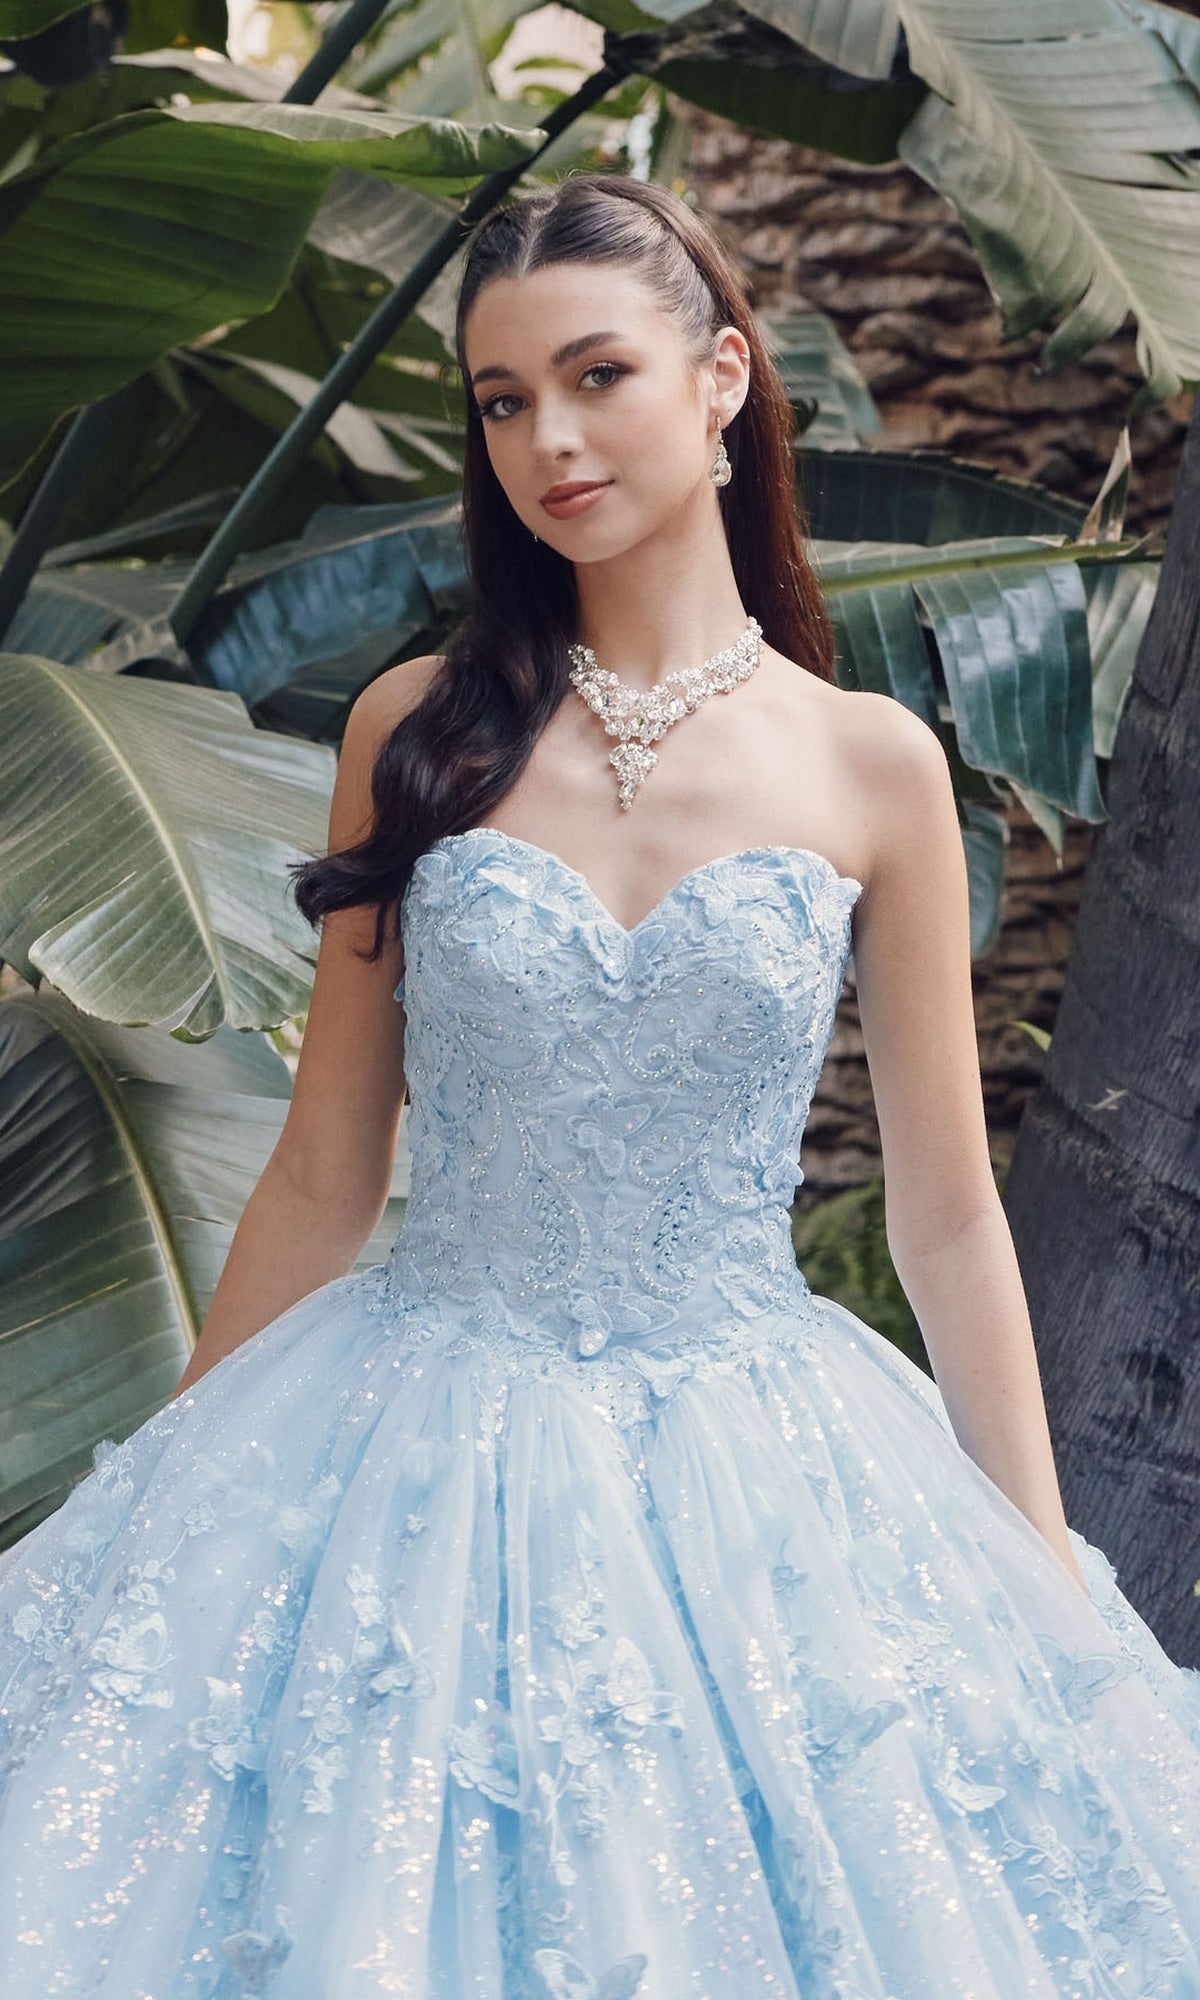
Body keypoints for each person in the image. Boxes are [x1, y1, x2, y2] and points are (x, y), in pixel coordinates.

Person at [1, 171, 1199, 2000]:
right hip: (416, 1427)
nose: (546, 440)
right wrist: (169, 1506)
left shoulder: (874, 767)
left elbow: (953, 1217)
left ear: (723, 377)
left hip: (762, 1457)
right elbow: (326, 1172)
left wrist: (1032, 1558)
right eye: (499, 402)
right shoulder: (418, 733)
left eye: (594, 375)